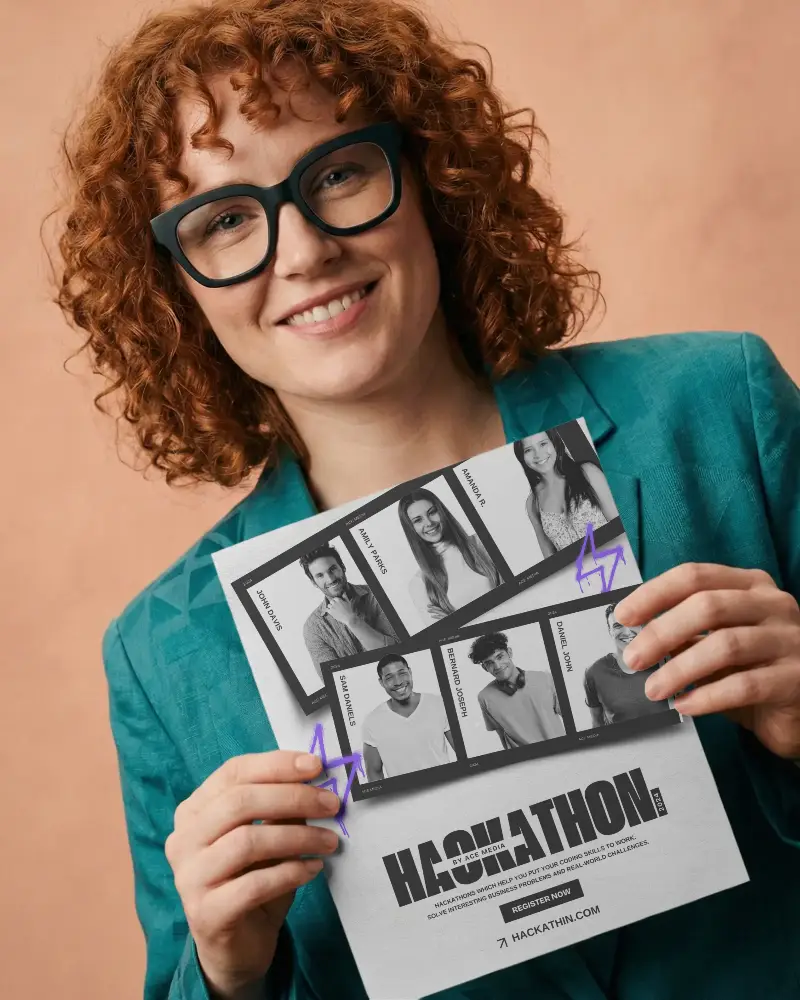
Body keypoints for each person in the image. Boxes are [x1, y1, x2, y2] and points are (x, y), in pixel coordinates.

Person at [52, 0, 800, 997]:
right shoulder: (162, 658)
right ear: (173, 286)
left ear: (427, 178)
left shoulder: (718, 411)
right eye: (224, 219)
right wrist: (227, 971)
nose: (304, 249)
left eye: (335, 174)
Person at [398, 488, 502, 624]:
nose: (429, 523)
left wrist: (457, 620)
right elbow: (446, 638)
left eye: (432, 512)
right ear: (411, 529)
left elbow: (515, 592)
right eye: (418, 520)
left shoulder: (481, 543)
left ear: (442, 512)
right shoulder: (419, 584)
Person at [299, 542, 398, 677]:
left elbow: (397, 654)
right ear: (313, 582)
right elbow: (334, 682)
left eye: (332, 569)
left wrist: (351, 620)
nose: (330, 579)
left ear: (343, 567)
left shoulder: (377, 594)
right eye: (320, 575)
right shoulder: (313, 628)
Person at [513, 429, 618, 555]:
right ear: (522, 457)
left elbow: (621, 526)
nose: (538, 454)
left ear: (554, 443)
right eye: (528, 450)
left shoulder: (588, 473)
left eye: (543, 444)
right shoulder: (532, 503)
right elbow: (550, 560)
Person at [361, 653, 454, 780]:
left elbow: (463, 751)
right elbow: (374, 772)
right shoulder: (372, 721)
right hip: (407, 796)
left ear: (410, 672)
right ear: (381, 682)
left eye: (402, 673)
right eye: (389, 677)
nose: (398, 682)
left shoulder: (439, 703)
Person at [468, 631, 565, 749]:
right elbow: (501, 734)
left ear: (509, 653)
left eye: (500, 657)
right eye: (489, 663)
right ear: (485, 668)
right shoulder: (484, 697)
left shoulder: (545, 678)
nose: (497, 666)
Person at [584, 602, 673, 727]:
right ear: (610, 631)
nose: (627, 632)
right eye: (617, 626)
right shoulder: (594, 673)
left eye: (632, 623)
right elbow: (597, 724)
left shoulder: (665, 658)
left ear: (642, 625)